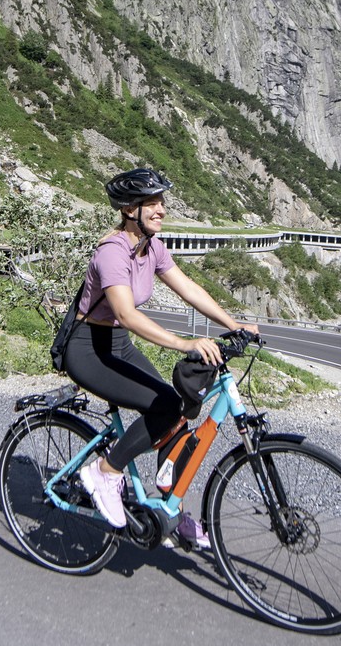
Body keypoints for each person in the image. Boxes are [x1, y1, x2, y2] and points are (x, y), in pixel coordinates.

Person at [64, 167, 259, 549]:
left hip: (118, 345)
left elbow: (188, 289)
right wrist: (184, 343)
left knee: (179, 415)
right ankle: (105, 471)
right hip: (89, 348)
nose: (160, 209)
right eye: (151, 203)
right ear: (128, 209)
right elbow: (126, 314)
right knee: (166, 408)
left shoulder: (151, 247)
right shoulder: (112, 253)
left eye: (161, 202)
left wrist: (235, 325)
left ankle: (170, 508)